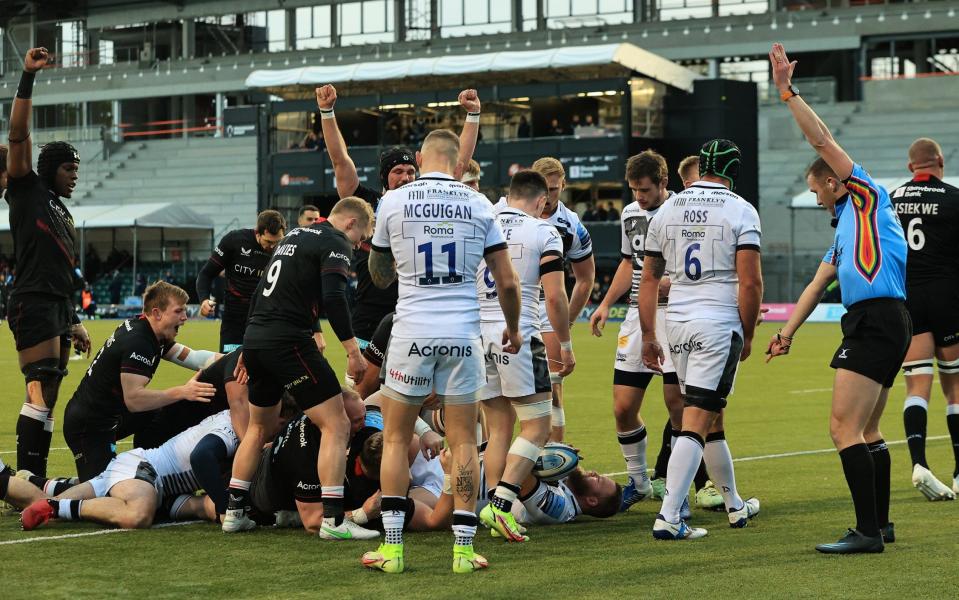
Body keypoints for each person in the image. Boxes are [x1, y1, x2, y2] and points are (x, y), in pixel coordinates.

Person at [765, 43, 910, 554]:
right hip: (886, 320)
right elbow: (814, 285)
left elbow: (822, 136)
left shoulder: (865, 194)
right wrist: (785, 333)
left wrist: (787, 92)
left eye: (817, 189)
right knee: (868, 428)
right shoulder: (846, 227)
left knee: (841, 428)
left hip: (877, 319)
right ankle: (882, 525)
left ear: (833, 181)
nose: (817, 197)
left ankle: (867, 533)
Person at [361, 128, 522, 574]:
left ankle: (392, 549)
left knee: (395, 437)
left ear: (419, 157)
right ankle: (465, 551)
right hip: (463, 333)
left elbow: (377, 274)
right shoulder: (479, 203)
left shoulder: (393, 201)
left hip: (411, 330)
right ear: (456, 163)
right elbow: (507, 282)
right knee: (465, 439)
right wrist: (511, 328)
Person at [222, 198, 378, 543]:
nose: (356, 247)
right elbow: (334, 298)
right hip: (287, 341)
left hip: (258, 337)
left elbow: (259, 294)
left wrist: (249, 344)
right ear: (350, 224)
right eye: (359, 239)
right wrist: (353, 350)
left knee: (258, 428)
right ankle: (334, 520)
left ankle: (233, 513)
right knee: (336, 423)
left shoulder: (294, 236)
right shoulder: (334, 240)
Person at [640, 138, 763, 541]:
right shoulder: (740, 210)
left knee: (708, 418)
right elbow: (750, 281)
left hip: (676, 321)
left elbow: (650, 279)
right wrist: (747, 332)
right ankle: (670, 516)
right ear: (732, 169)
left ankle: (734, 505)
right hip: (717, 321)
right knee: (696, 420)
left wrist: (647, 334)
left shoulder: (667, 209)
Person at [316, 83, 480, 348]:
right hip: (369, 312)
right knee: (361, 386)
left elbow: (457, 165)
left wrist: (473, 116)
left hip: (412, 311)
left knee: (415, 388)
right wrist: (327, 112)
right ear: (384, 176)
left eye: (410, 171)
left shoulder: (423, 199)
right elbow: (340, 160)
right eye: (398, 171)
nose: (406, 177)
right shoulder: (365, 202)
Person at [589, 151, 706, 513]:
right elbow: (629, 262)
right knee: (623, 407)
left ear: (662, 183)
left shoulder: (682, 212)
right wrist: (607, 302)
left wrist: (677, 282)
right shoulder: (629, 214)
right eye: (634, 190)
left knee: (677, 406)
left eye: (644, 190)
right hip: (638, 317)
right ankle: (639, 482)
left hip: (676, 316)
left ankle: (678, 495)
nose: (639, 197)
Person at [5, 47, 92, 478]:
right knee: (39, 382)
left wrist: (72, 318)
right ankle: (26, 481)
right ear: (51, 168)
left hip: (56, 304)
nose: (75, 175)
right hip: (32, 300)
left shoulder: (61, 208)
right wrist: (27, 77)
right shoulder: (26, 189)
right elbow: (18, 135)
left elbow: (62, 268)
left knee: (52, 387)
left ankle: (32, 477)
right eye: (70, 168)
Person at [477, 170, 575, 542]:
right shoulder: (543, 231)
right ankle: (501, 505)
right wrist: (564, 344)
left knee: (498, 427)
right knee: (537, 426)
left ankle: (494, 507)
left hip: (477, 335)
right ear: (541, 201)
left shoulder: (483, 220)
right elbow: (554, 296)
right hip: (518, 334)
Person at [62, 281, 218, 481]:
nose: (185, 317)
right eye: (179, 311)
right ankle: (40, 484)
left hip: (111, 417)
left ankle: (150, 464)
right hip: (90, 426)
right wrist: (182, 391)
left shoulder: (152, 332)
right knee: (104, 495)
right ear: (157, 313)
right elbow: (134, 400)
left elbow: (195, 358)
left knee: (167, 411)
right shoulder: (139, 341)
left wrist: (239, 357)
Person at [641, 152, 722, 510]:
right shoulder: (670, 218)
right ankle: (678, 503)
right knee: (693, 409)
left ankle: (715, 494)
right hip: (686, 323)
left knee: (697, 410)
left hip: (688, 320)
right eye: (688, 183)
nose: (693, 189)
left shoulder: (706, 216)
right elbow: (650, 279)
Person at [20, 409, 240, 531]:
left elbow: (214, 500)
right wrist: (224, 508)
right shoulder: (230, 427)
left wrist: (231, 508)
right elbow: (201, 458)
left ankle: (39, 485)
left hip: (158, 486)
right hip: (145, 469)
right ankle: (55, 506)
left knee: (203, 506)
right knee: (138, 515)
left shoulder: (237, 422)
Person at [892, 138, 959, 500]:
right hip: (948, 298)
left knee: (917, 385)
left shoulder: (890, 198)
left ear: (910, 167)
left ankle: (919, 464)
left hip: (908, 298)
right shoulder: (954, 197)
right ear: (940, 162)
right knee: (956, 386)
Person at [530, 157, 595, 441]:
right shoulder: (508, 210)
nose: (546, 197)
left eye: (553, 190)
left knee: (552, 389)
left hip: (548, 307)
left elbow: (586, 278)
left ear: (563, 185)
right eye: (542, 188)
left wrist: (564, 323)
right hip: (509, 304)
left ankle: (556, 466)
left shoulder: (572, 225)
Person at [196, 210, 286, 353]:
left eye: (277, 242)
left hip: (265, 318)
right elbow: (206, 274)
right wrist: (204, 300)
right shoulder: (234, 240)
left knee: (263, 371)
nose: (273, 247)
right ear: (258, 233)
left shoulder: (287, 248)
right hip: (234, 319)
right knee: (231, 369)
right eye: (268, 242)